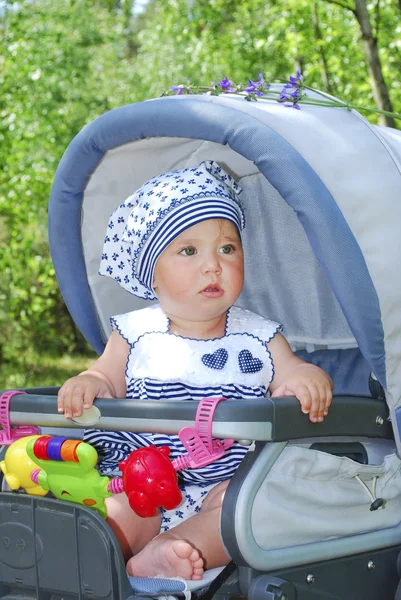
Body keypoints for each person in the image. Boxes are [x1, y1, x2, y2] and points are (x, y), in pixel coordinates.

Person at [57, 160, 333, 581]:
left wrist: (305, 378)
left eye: (227, 248)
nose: (213, 265)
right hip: (139, 477)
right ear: (152, 271)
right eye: (189, 251)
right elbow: (105, 378)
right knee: (117, 515)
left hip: (225, 484)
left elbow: (290, 373)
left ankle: (170, 551)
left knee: (245, 513)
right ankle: (101, 557)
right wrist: (88, 383)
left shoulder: (259, 336)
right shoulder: (135, 332)